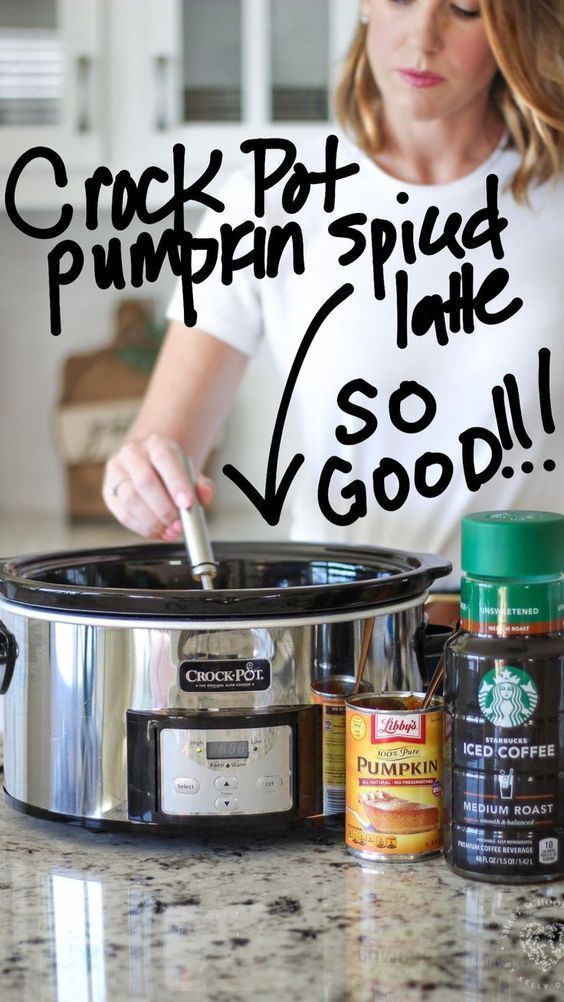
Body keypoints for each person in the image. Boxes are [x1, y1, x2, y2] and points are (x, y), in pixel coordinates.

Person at [103, 0, 564, 588]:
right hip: (336, 624)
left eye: (465, 9)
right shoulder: (264, 203)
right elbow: (157, 447)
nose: (424, 37)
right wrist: (139, 479)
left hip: (532, 633)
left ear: (514, 24)